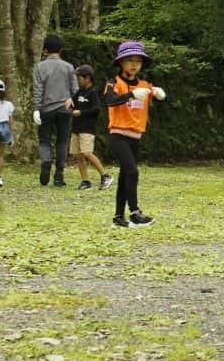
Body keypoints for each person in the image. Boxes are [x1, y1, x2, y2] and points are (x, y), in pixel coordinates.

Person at [102, 40, 166, 227]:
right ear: (121, 62)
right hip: (118, 135)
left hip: (136, 137)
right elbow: (110, 101)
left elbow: (157, 97)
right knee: (132, 171)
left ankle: (118, 217)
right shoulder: (114, 82)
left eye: (138, 61)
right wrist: (130, 95)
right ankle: (135, 212)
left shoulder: (145, 85)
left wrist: (159, 95)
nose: (134, 65)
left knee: (125, 176)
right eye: (129, 60)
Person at [32, 34, 78, 187]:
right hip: (65, 108)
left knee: (45, 140)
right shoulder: (68, 67)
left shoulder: (39, 67)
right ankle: (59, 174)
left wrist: (36, 109)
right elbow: (75, 90)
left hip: (46, 108)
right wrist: (71, 100)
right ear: (60, 50)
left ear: (45, 50)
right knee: (62, 140)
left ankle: (46, 161)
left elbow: (38, 90)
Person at [71, 64, 112, 191]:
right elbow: (72, 103)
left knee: (87, 153)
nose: (78, 80)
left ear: (87, 78)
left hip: (87, 128)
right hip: (76, 128)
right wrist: (68, 103)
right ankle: (85, 181)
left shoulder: (92, 93)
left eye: (80, 78)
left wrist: (81, 113)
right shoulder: (79, 92)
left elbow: (96, 109)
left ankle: (105, 176)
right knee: (78, 155)